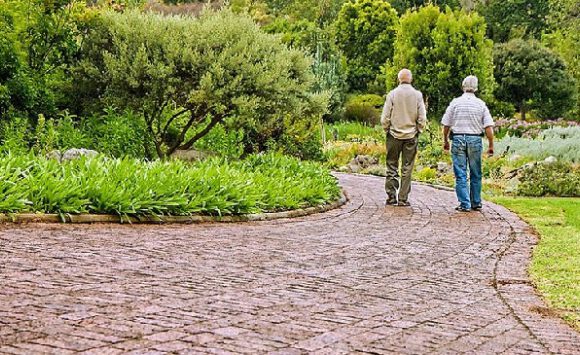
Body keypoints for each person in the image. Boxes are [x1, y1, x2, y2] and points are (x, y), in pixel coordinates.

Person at [442, 75, 494, 212]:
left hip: (458, 138)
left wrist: (445, 140)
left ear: (463, 86)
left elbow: (446, 124)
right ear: (476, 88)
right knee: (476, 172)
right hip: (475, 139)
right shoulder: (481, 104)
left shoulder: (455, 103)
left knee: (461, 173)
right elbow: (488, 127)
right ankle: (476, 202)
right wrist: (491, 145)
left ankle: (465, 204)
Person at [381, 69, 427, 206]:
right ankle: (403, 198)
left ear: (399, 79)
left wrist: (386, 129)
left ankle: (391, 196)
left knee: (391, 165)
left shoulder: (392, 94)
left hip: (394, 135)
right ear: (411, 79)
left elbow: (385, 117)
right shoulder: (417, 95)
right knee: (407, 167)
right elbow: (422, 117)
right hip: (411, 135)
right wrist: (419, 129)